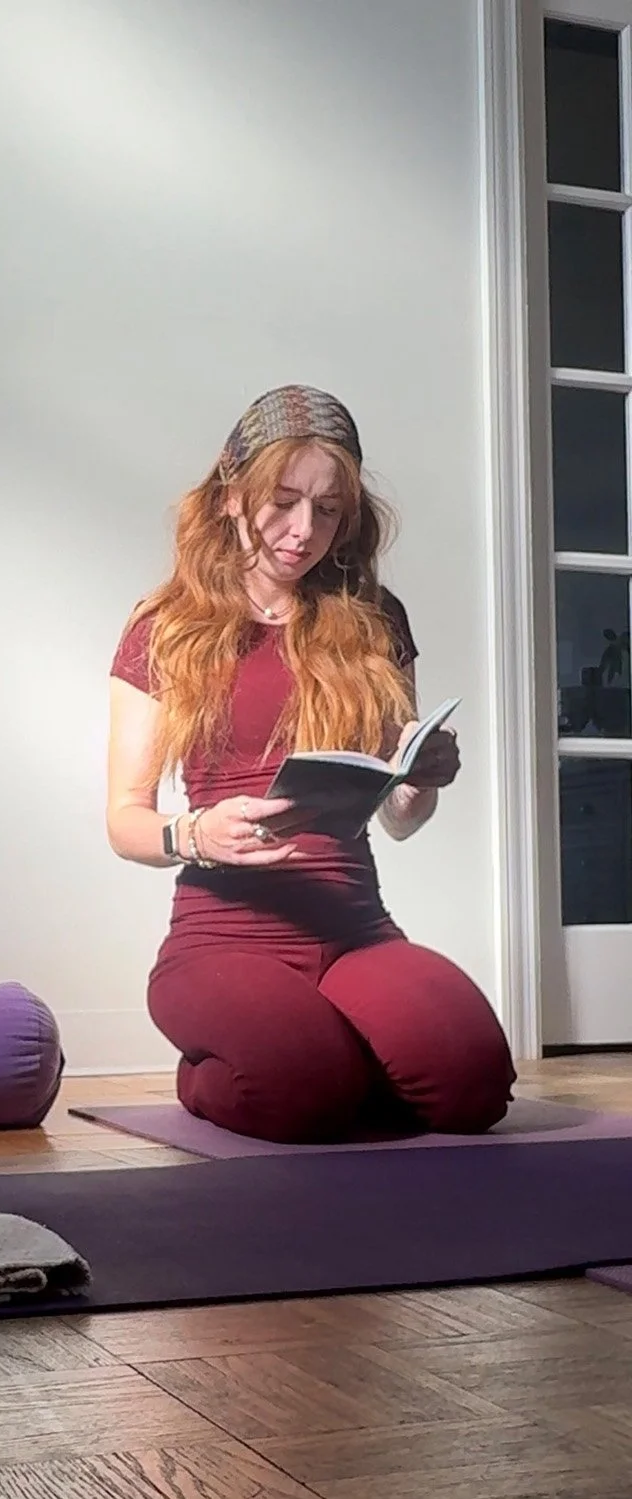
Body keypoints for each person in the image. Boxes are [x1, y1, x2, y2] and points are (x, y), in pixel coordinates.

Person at [106, 385, 516, 1143]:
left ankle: (324, 1053)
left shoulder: (376, 621)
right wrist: (195, 833)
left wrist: (416, 781)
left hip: (355, 926)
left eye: (328, 510)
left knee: (474, 1087)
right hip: (223, 935)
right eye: (283, 502)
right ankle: (225, 1071)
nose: (304, 532)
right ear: (233, 497)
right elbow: (124, 822)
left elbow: (396, 820)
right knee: (303, 1095)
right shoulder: (164, 627)